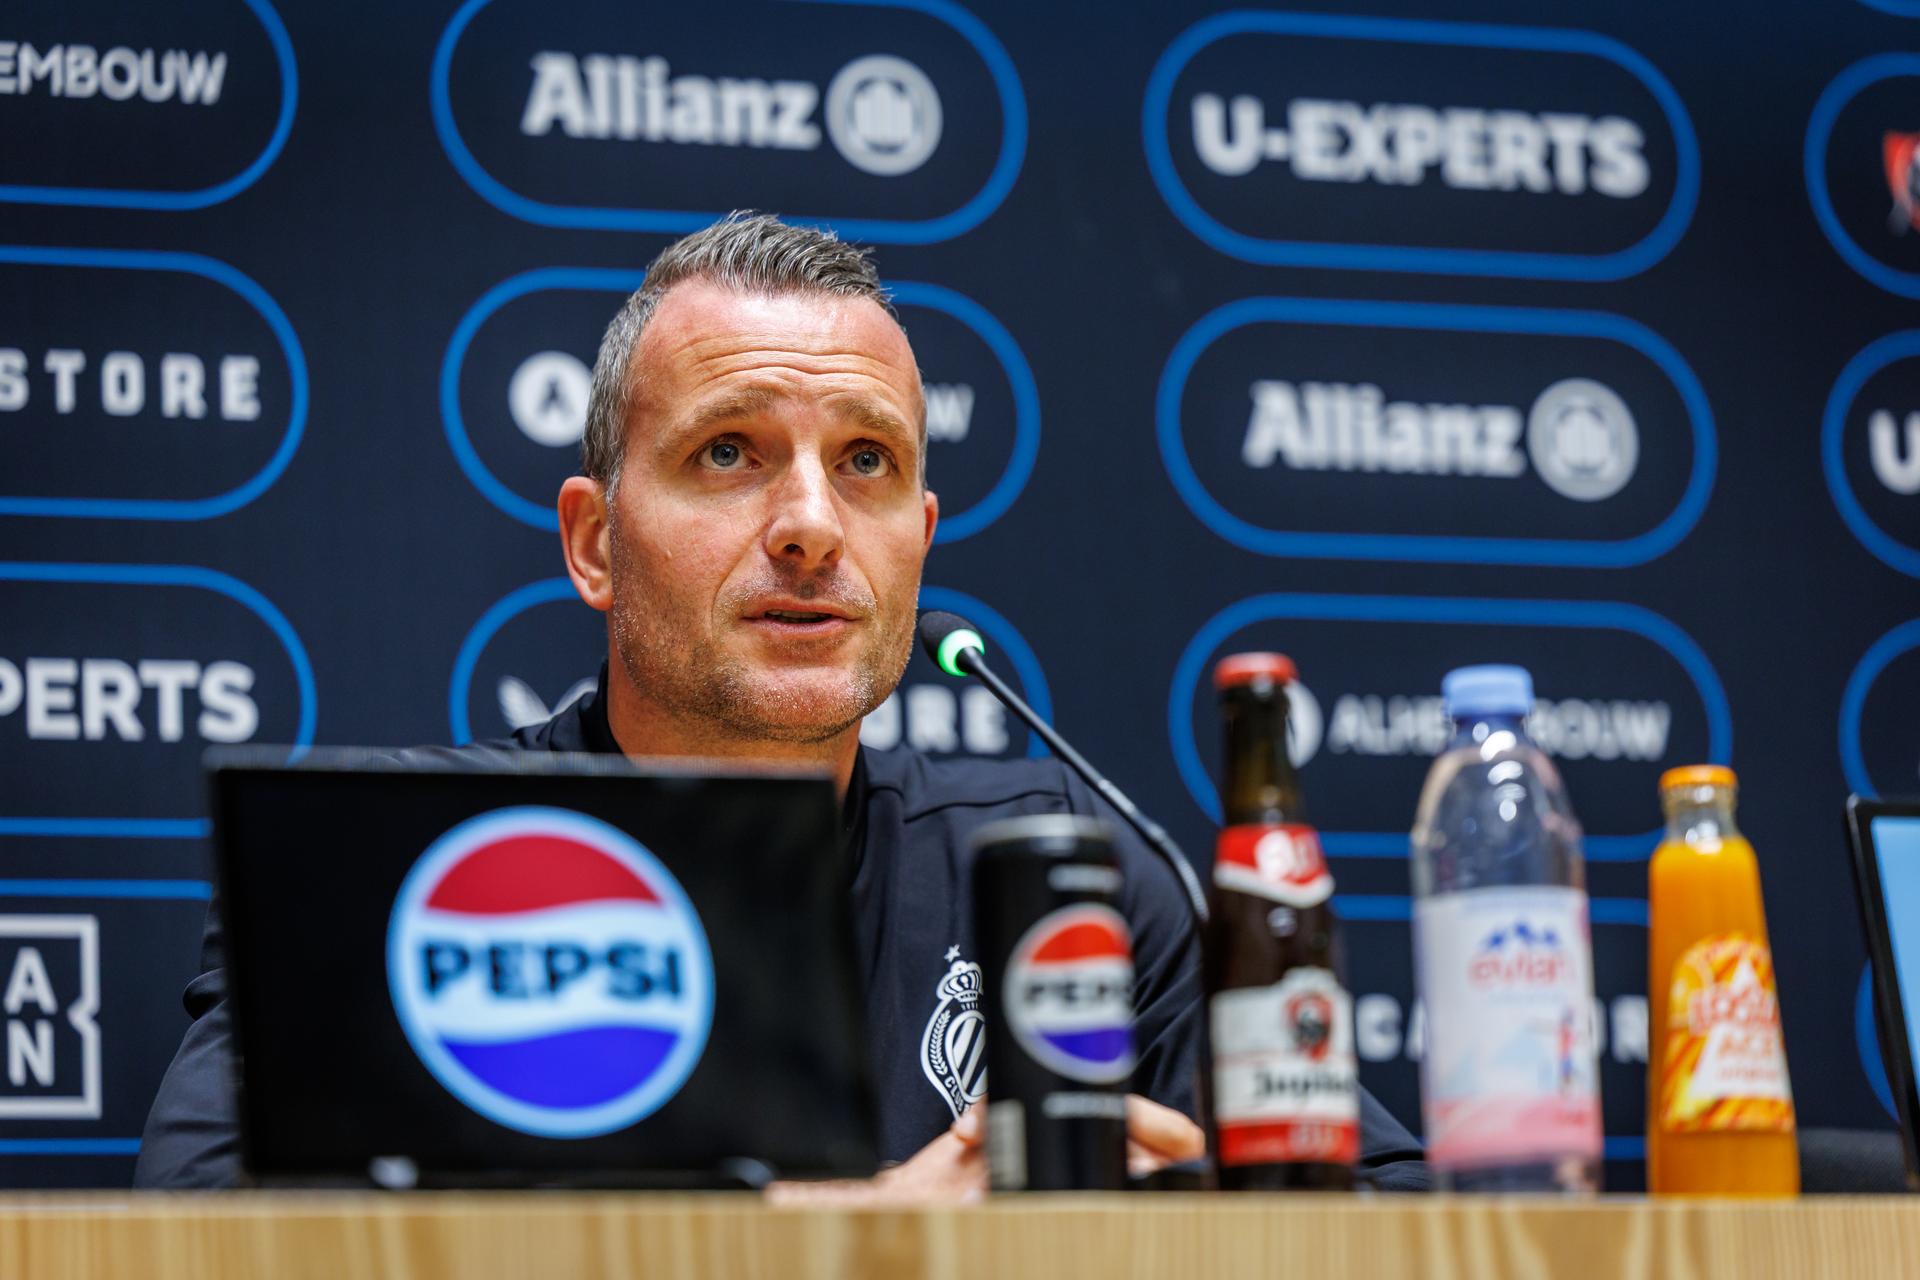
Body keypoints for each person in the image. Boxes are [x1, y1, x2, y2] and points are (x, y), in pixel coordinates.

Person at [135, 213, 1427, 1195]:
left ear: (919, 538)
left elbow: (1384, 1210)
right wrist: (862, 1242)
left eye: (865, 463)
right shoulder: (394, 869)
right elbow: (188, 1238)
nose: (812, 525)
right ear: (593, 544)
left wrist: (1192, 1231)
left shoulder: (1068, 879)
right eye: (728, 453)